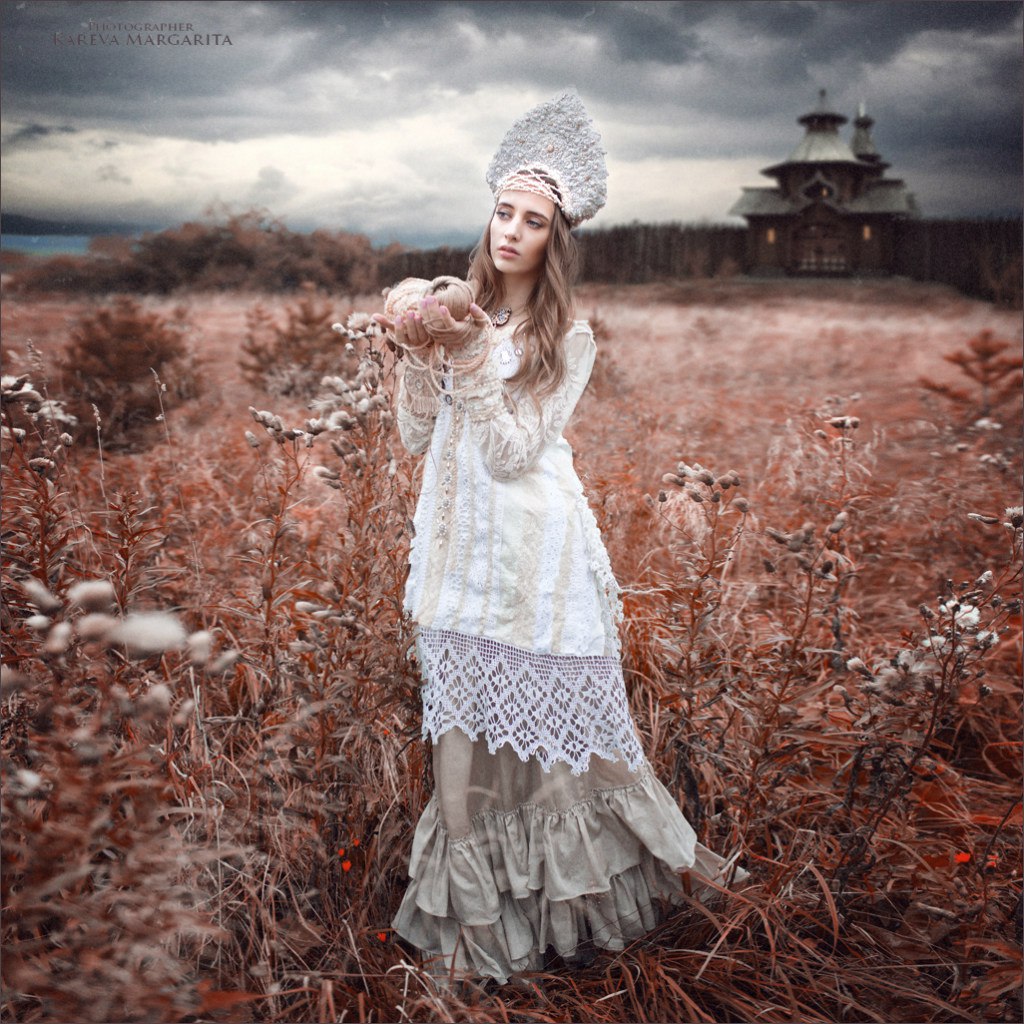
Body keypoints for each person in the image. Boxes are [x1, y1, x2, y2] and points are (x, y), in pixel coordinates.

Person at [379, 92, 743, 988]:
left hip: (533, 561)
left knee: (566, 753)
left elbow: (508, 453)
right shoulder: (459, 307)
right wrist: (417, 350)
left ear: (556, 238)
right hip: (457, 561)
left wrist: (466, 356)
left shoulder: (564, 338)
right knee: (465, 751)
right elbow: (417, 438)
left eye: (532, 220)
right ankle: (481, 935)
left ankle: (583, 916)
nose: (510, 231)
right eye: (503, 211)